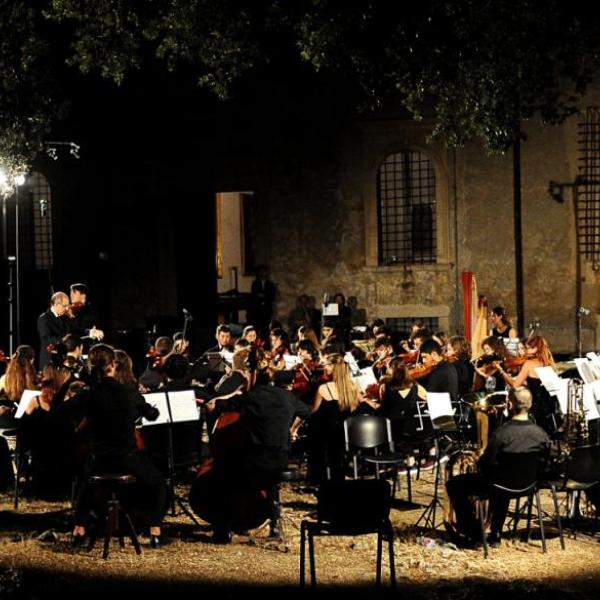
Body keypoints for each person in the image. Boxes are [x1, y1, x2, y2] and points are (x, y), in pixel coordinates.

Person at [56, 344, 167, 548]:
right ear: (113, 365)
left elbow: (60, 411)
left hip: (100, 459)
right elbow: (153, 415)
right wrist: (144, 409)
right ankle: (155, 531)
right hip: (128, 459)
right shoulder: (128, 393)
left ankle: (79, 530)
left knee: (86, 483)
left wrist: (66, 383)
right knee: (159, 484)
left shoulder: (89, 394)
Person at [203, 368, 311, 543]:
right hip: (280, 459)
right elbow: (307, 412)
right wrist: (292, 429)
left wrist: (213, 405)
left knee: (226, 476)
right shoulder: (289, 397)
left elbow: (228, 404)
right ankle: (275, 525)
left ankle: (223, 528)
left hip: (256, 458)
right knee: (271, 481)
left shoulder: (254, 396)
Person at [445, 386, 550, 547]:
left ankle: (475, 534)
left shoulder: (502, 434)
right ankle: (496, 533)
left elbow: (484, 464)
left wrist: (476, 460)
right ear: (530, 405)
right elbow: (544, 464)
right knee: (504, 479)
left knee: (453, 485)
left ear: (509, 406)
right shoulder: (542, 434)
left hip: (499, 485)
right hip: (528, 486)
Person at [307, 353, 372, 483]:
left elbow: (312, 410)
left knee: (313, 432)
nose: (323, 367)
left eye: (325, 365)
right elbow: (362, 403)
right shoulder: (352, 387)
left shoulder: (323, 388)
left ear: (332, 367)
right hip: (347, 434)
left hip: (329, 434)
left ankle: (317, 476)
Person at [495, 335, 558, 434]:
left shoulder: (529, 364)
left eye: (528, 348)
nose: (526, 351)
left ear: (535, 349)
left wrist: (501, 371)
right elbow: (537, 383)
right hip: (549, 408)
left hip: (534, 407)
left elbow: (515, 385)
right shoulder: (550, 363)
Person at [37, 292, 71, 368]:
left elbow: (75, 330)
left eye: (68, 305)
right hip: (49, 361)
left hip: (63, 360)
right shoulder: (44, 318)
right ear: (56, 305)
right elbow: (46, 337)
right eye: (65, 306)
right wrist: (62, 340)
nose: (67, 308)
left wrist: (90, 332)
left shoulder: (65, 318)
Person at [420, 339, 459, 403]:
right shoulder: (450, 365)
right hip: (453, 405)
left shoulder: (438, 372)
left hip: (443, 409)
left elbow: (427, 395)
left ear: (434, 354)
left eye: (425, 357)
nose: (423, 361)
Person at [248, 265, 276, 340]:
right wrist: (262, 296)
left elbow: (272, 296)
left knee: (266, 329)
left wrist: (263, 296)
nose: (263, 274)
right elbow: (254, 295)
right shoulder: (255, 283)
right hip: (257, 310)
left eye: (264, 272)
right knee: (257, 327)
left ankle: (265, 343)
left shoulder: (270, 284)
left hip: (267, 309)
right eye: (261, 272)